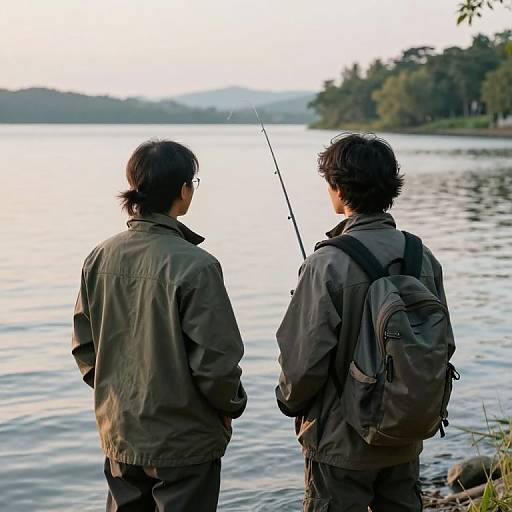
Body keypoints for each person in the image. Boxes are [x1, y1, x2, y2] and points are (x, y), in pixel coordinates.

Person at [276, 133, 455, 512]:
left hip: (341, 445)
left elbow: (303, 362)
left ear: (338, 189)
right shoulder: (422, 256)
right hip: (404, 432)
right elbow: (442, 343)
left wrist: (288, 402)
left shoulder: (325, 264)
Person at [72, 139, 247, 512]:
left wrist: (116, 396)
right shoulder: (197, 266)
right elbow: (216, 362)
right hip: (185, 443)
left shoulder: (99, 257)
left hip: (121, 434)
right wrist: (232, 406)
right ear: (183, 191)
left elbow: (84, 348)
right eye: (192, 184)